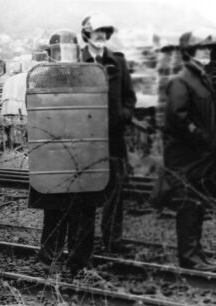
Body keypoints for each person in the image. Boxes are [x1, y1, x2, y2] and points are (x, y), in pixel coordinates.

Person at [28, 30, 98, 275]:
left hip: (83, 154)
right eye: (60, 52)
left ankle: (79, 261)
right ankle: (50, 260)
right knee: (55, 210)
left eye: (69, 51)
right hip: (53, 155)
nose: (64, 57)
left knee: (83, 211)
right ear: (50, 55)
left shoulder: (90, 77)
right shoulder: (41, 78)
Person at [163, 28, 216, 271]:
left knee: (198, 207)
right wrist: (202, 139)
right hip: (187, 160)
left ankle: (195, 252)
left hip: (201, 160)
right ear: (189, 52)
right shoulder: (181, 81)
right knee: (189, 208)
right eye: (202, 48)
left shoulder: (200, 78)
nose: (207, 52)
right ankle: (189, 257)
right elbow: (178, 120)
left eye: (208, 48)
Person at [80, 13, 137, 253]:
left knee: (116, 190)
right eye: (97, 32)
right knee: (87, 190)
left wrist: (123, 115)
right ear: (87, 34)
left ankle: (112, 241)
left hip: (114, 138)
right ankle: (83, 244)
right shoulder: (76, 62)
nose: (102, 36)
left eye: (106, 32)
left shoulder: (118, 61)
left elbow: (129, 97)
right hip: (86, 139)